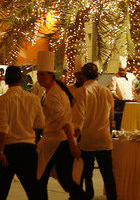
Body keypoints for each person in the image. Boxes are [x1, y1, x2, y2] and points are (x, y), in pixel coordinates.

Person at [36, 51, 85, 200]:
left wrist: (72, 144)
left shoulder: (53, 94)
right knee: (65, 178)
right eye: (38, 74)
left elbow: (64, 121)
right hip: (59, 140)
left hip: (57, 141)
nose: (39, 78)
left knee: (41, 178)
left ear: (50, 75)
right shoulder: (56, 89)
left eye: (42, 75)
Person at [0, 65, 44, 200]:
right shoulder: (33, 99)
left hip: (10, 149)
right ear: (21, 79)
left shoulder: (3, 99)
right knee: (34, 192)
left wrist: (1, 151)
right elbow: (40, 124)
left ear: (6, 81)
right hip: (28, 148)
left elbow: (2, 128)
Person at [74, 62, 117, 200]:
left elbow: (78, 119)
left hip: (88, 139)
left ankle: (88, 194)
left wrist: (74, 138)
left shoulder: (81, 92)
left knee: (86, 172)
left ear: (83, 75)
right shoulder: (106, 91)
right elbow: (111, 116)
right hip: (104, 138)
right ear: (97, 75)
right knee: (108, 174)